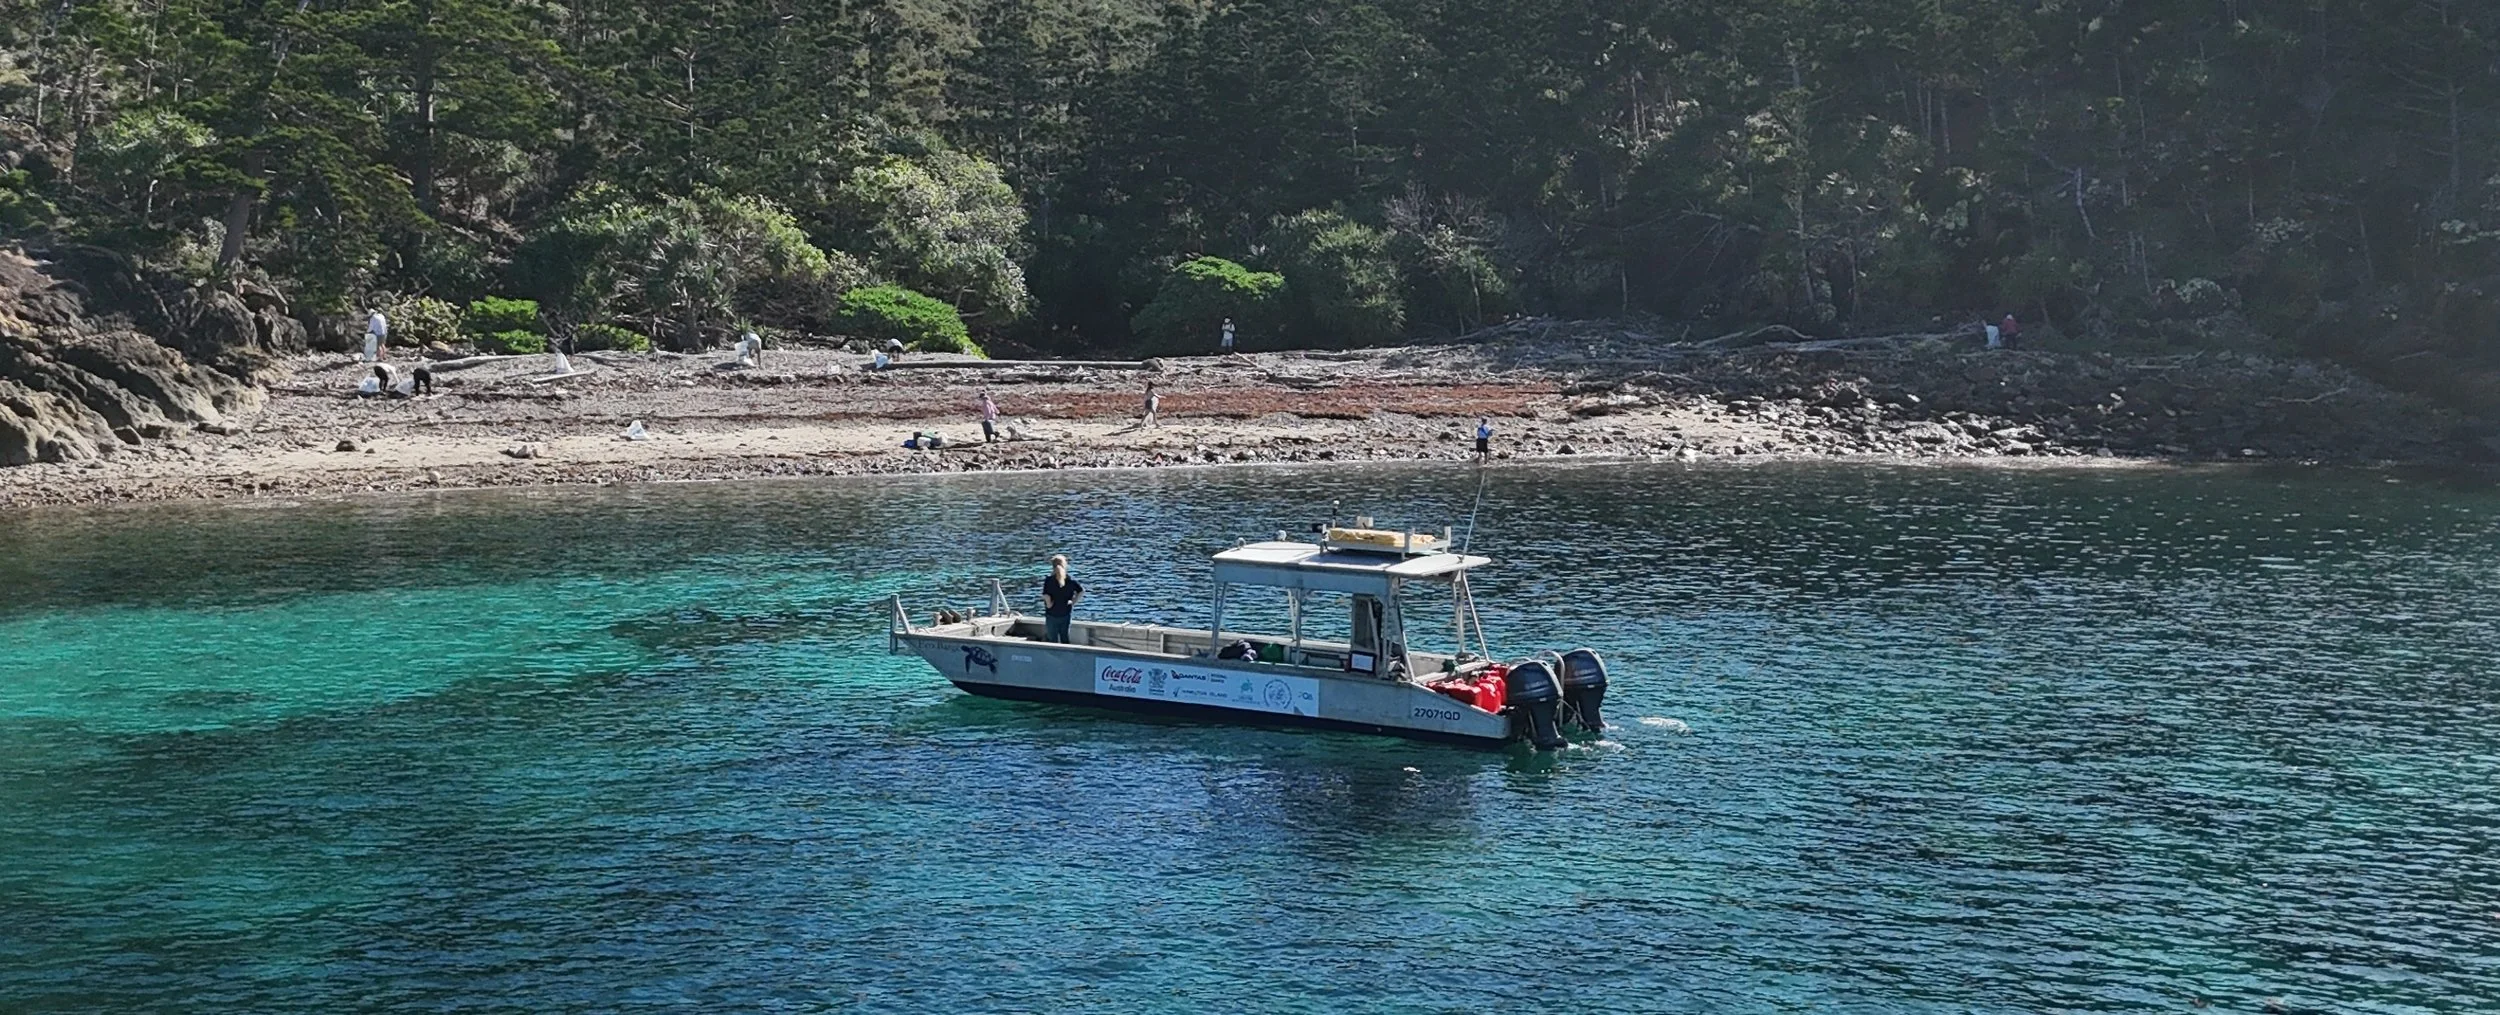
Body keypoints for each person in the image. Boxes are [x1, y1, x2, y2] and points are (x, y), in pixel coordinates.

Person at [1041, 554, 1082, 643]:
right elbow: (1081, 591)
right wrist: (1073, 602)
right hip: (1066, 613)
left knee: (1052, 639)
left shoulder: (1049, 580)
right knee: (1065, 638)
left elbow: (1047, 596)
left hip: (1052, 614)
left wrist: (1049, 604)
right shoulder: (1070, 580)